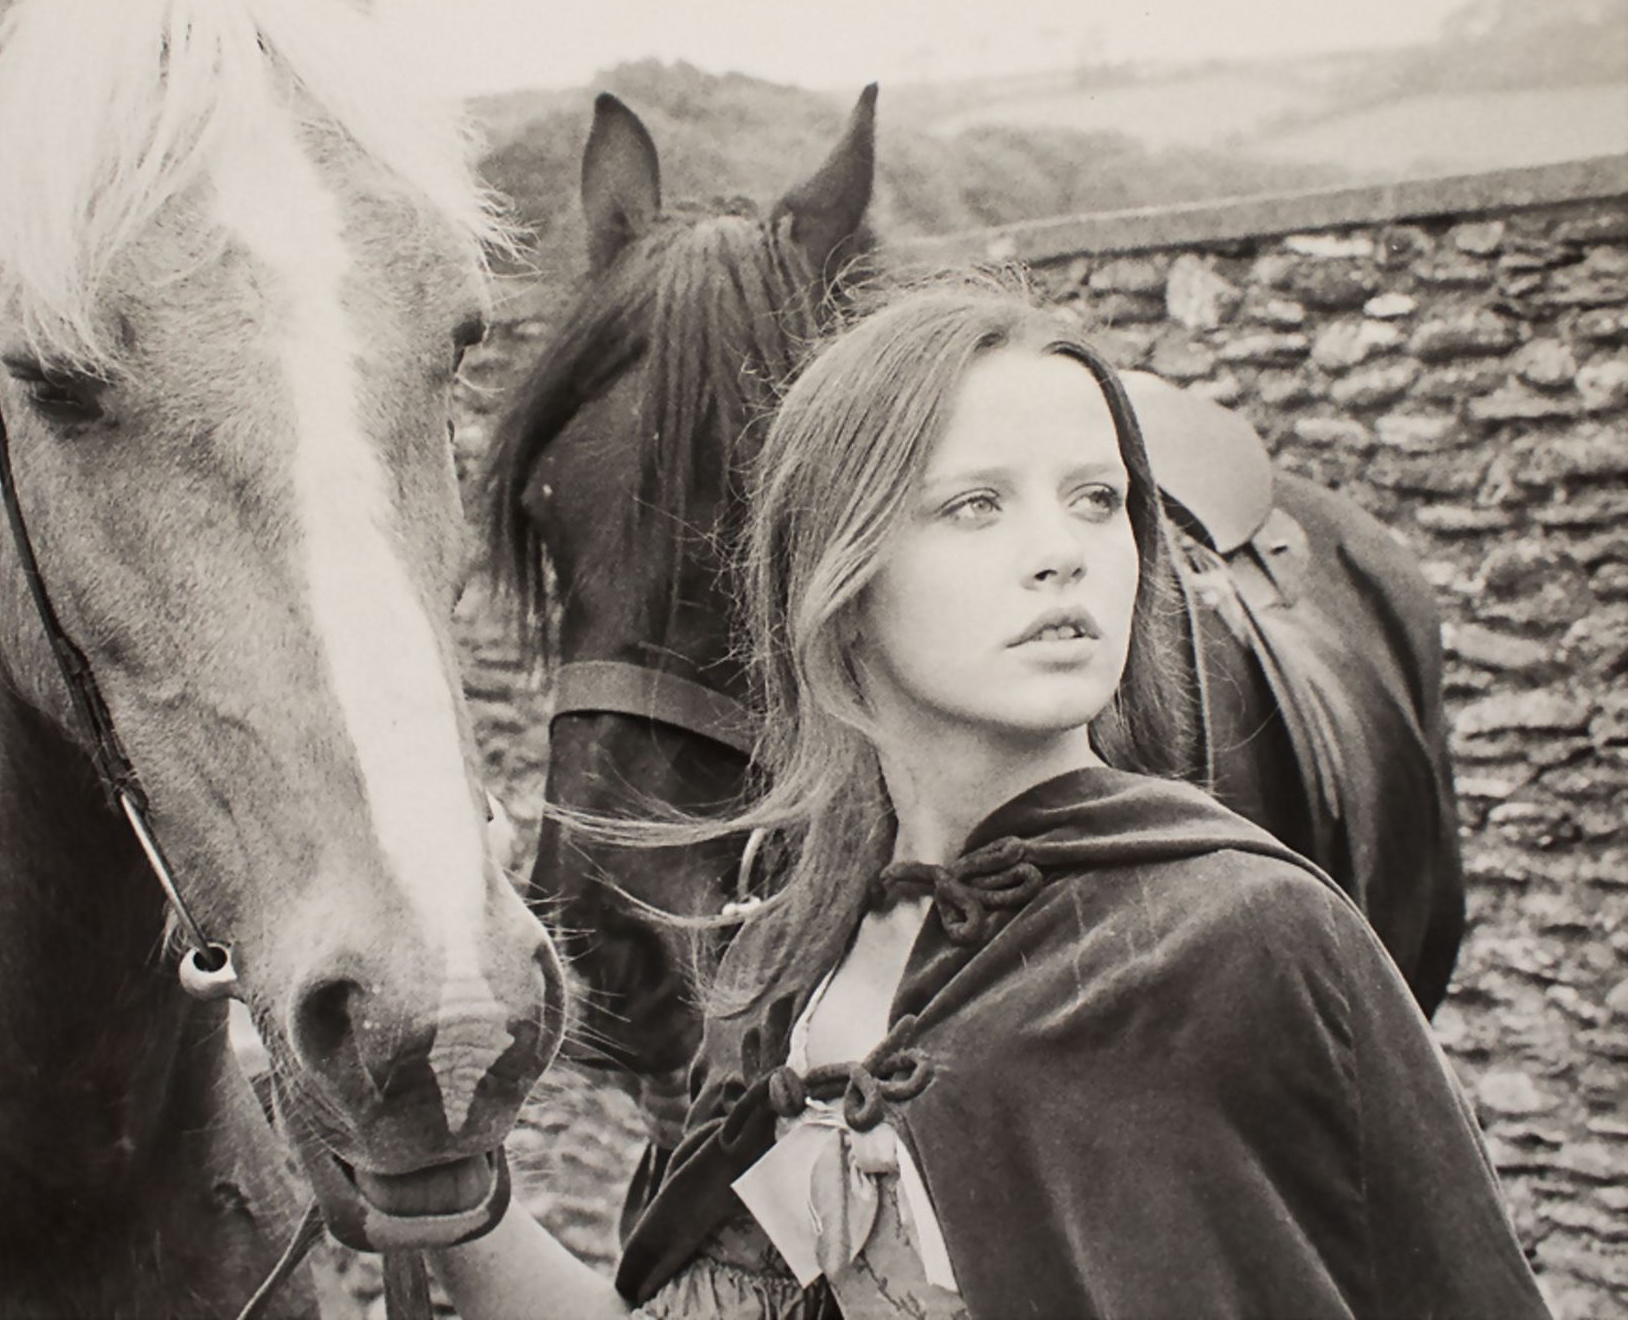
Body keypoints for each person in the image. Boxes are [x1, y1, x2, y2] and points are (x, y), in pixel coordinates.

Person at [433, 273, 1548, 1319]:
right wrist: (453, 1192)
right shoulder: (789, 971)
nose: (1062, 551)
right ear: (837, 577)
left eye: (1099, 499)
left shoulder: (1255, 945)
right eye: (976, 505)